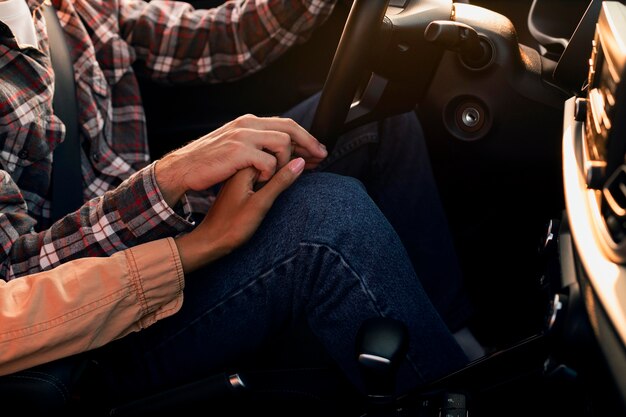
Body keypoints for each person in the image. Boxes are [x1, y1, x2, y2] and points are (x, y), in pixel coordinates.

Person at [0, 0, 475, 406]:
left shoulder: (60, 8)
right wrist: (168, 180)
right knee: (326, 217)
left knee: (378, 122)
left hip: (157, 231)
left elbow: (210, 40)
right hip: (100, 331)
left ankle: (452, 347)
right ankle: (451, 401)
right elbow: (15, 283)